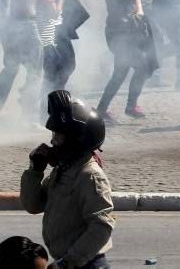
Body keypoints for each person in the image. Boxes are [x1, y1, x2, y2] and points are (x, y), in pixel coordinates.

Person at [21, 91, 114, 268]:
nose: (53, 142)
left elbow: (101, 227)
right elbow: (33, 205)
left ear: (76, 139)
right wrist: (35, 170)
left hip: (87, 263)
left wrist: (68, 262)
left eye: (59, 136)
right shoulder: (65, 169)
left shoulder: (89, 175)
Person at [39, 0, 99, 105]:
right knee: (52, 68)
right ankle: (44, 109)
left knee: (67, 65)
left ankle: (50, 105)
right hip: (45, 24)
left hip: (59, 25)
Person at [96, 0, 159, 121]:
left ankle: (102, 108)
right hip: (119, 34)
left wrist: (140, 18)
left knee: (120, 73)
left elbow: (137, 2)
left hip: (132, 32)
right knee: (142, 67)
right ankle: (131, 106)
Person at [0, 0, 50, 119]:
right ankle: (29, 117)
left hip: (5, 24)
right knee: (35, 70)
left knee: (11, 67)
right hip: (27, 22)